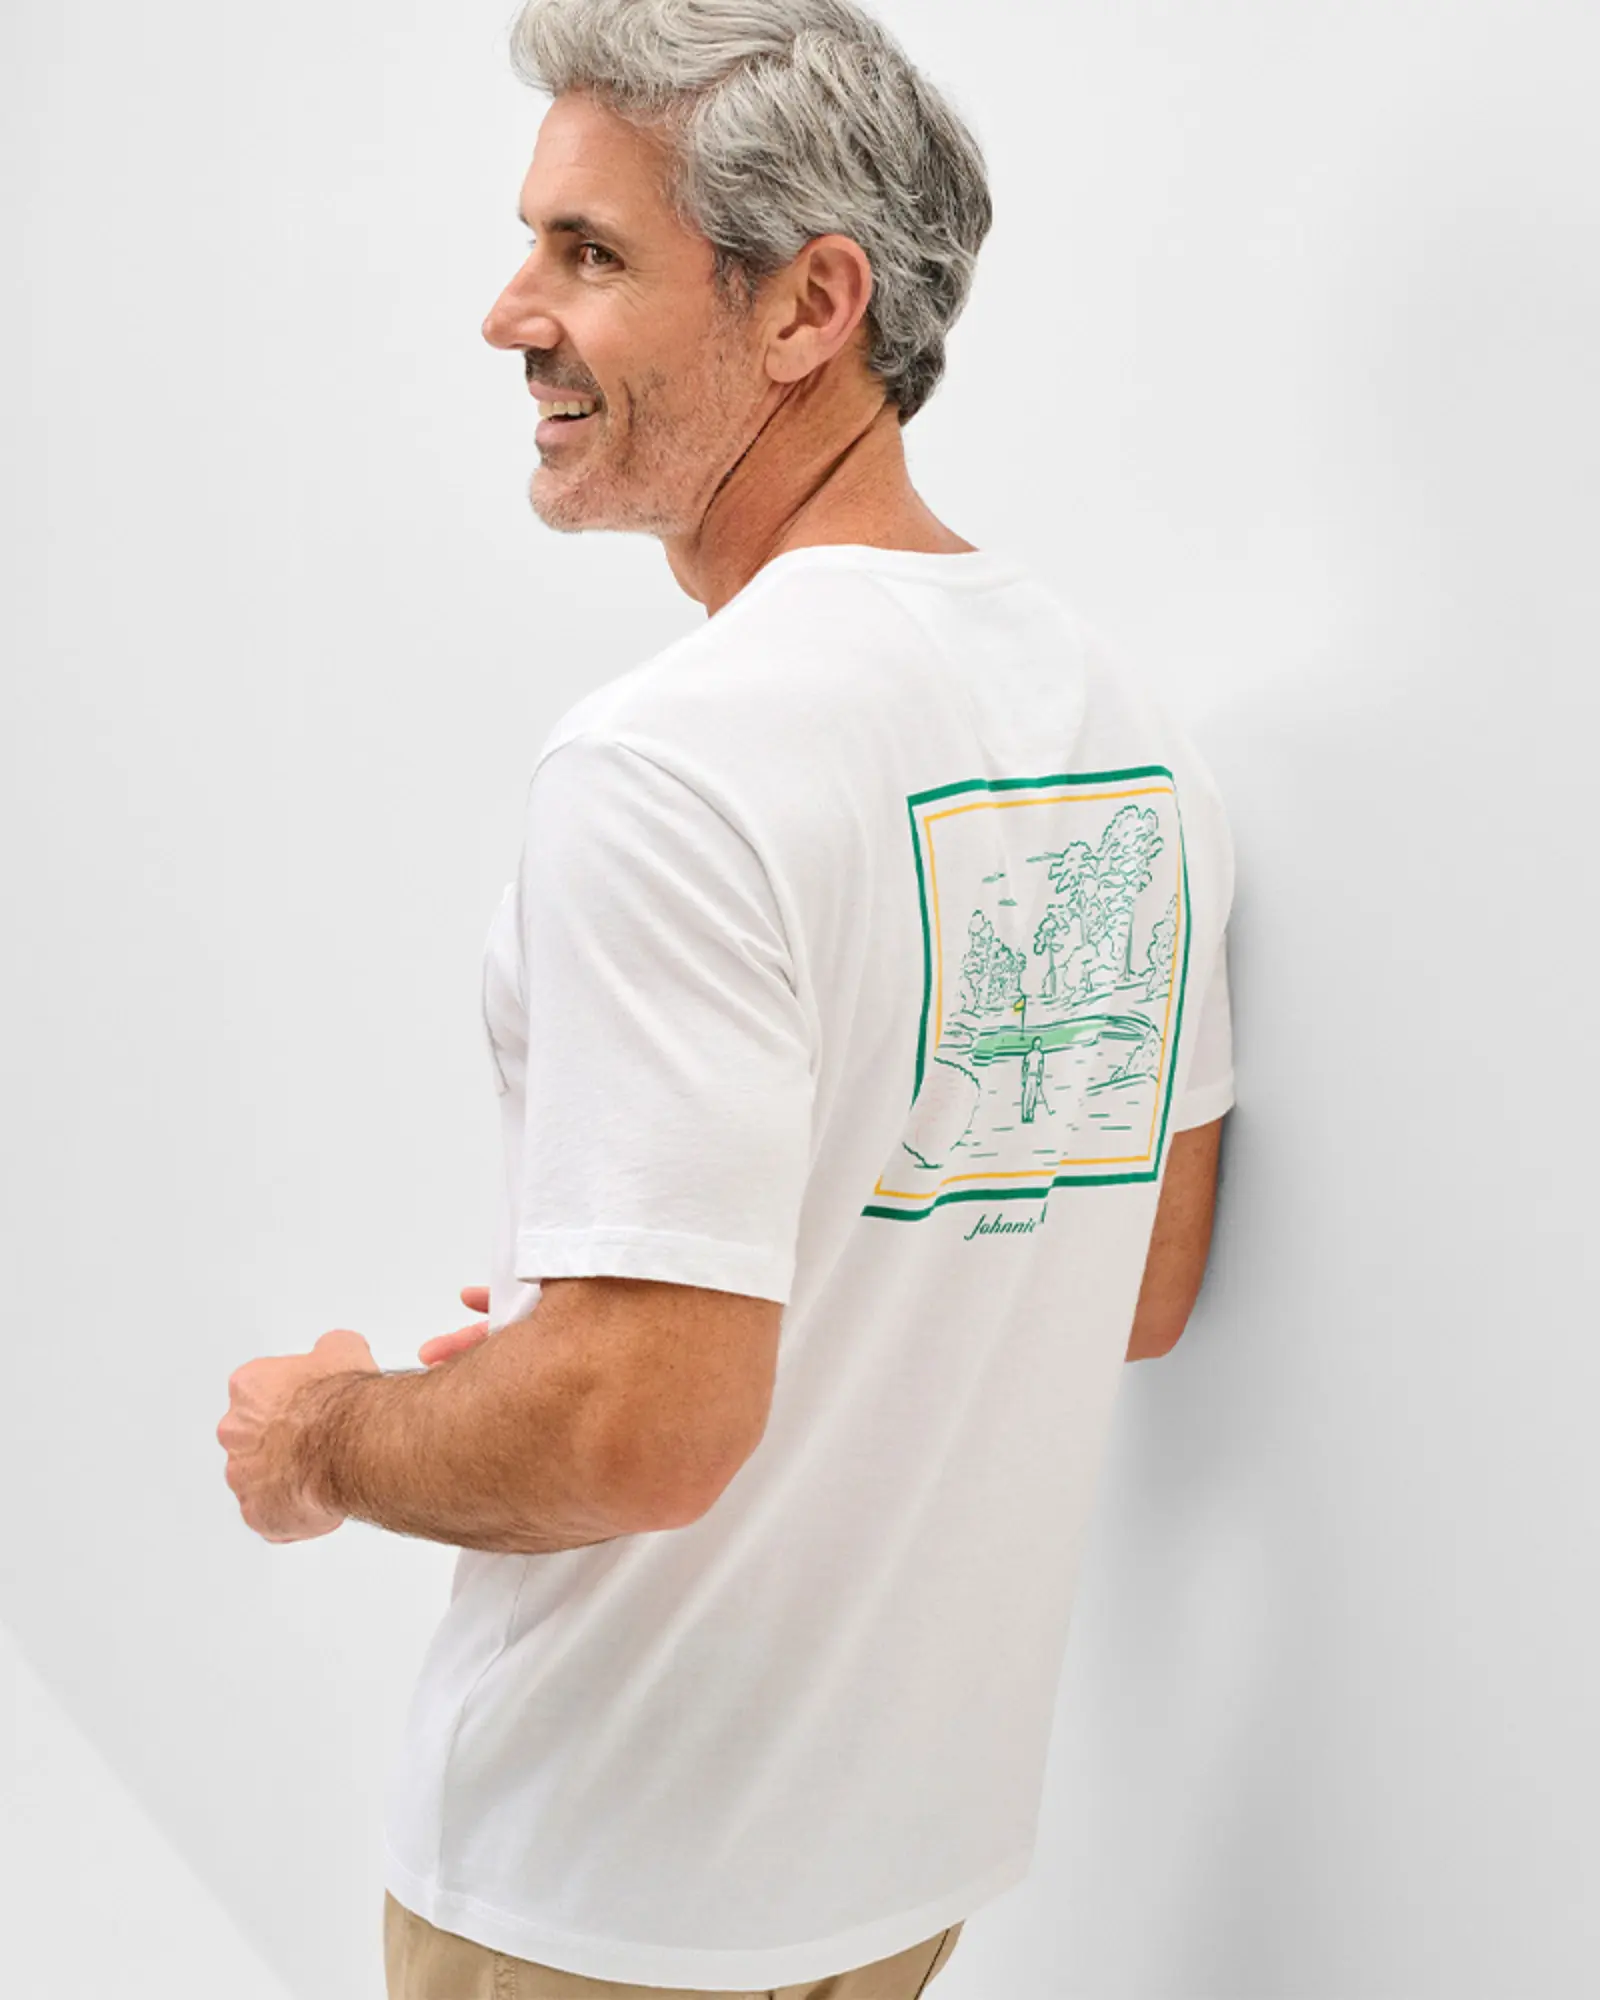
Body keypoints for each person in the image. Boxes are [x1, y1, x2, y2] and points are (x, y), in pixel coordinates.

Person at [215, 2, 1237, 1995]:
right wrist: (617, 1330)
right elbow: (1132, 1272)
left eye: (590, 251)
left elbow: (643, 1431)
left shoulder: (673, 762)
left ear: (809, 308)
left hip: (607, 1888)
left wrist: (329, 1435)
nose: (509, 313)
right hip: (893, 1887)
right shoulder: (1119, 729)